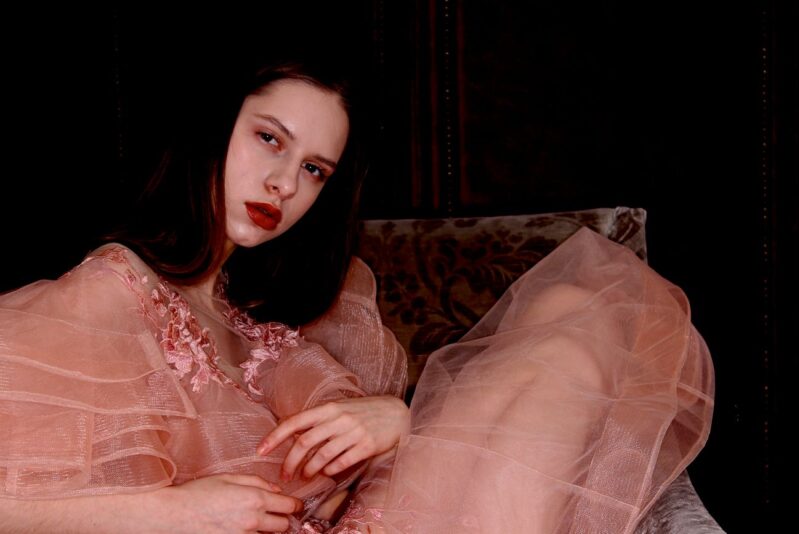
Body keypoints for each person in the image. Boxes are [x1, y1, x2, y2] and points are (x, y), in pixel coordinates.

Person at [0, 59, 714, 533]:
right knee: (579, 327)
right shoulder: (114, 288)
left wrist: (398, 420)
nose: (285, 183)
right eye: (269, 139)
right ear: (210, 130)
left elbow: (358, 469)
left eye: (314, 169)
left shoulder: (261, 308)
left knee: (579, 316)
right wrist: (175, 514)